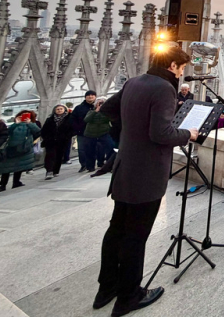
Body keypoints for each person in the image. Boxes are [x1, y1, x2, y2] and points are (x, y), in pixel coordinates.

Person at [95, 45, 198, 316]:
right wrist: (189, 133)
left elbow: (106, 109)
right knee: (135, 236)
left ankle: (106, 288)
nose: (182, 73)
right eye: (182, 68)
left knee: (116, 228)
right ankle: (129, 297)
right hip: (146, 174)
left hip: (125, 167)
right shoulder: (164, 88)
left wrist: (131, 131)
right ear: (173, 66)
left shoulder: (134, 82)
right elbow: (161, 134)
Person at [0, 111, 39, 191]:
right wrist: (16, 124)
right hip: (11, 148)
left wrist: (29, 123)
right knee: (6, 168)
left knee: (20, 166)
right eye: (21, 115)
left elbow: (38, 132)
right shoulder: (14, 125)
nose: (23, 117)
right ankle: (3, 185)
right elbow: (8, 132)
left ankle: (16, 182)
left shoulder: (31, 125)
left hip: (24, 149)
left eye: (26, 116)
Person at [40, 104, 74, 179]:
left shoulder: (69, 119)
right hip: (50, 141)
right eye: (57, 109)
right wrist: (46, 137)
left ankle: (55, 171)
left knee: (59, 156)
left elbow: (72, 130)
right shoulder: (50, 119)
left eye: (61, 109)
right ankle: (49, 171)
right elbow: (44, 130)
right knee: (50, 155)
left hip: (62, 141)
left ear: (64, 110)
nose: (59, 110)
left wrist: (67, 137)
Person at [83, 97, 116, 172]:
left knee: (111, 147)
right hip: (90, 133)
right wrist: (96, 111)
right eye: (99, 103)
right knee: (90, 150)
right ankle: (90, 167)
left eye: (103, 103)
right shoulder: (91, 111)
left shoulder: (107, 111)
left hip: (104, 132)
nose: (101, 104)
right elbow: (86, 120)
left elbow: (112, 119)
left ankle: (109, 165)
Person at [71, 90, 97, 172]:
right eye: (88, 95)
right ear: (85, 97)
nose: (90, 97)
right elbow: (72, 119)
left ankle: (94, 164)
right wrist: (77, 129)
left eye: (92, 95)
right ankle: (83, 164)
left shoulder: (98, 107)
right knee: (82, 149)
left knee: (95, 149)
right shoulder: (79, 108)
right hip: (82, 132)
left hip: (96, 132)